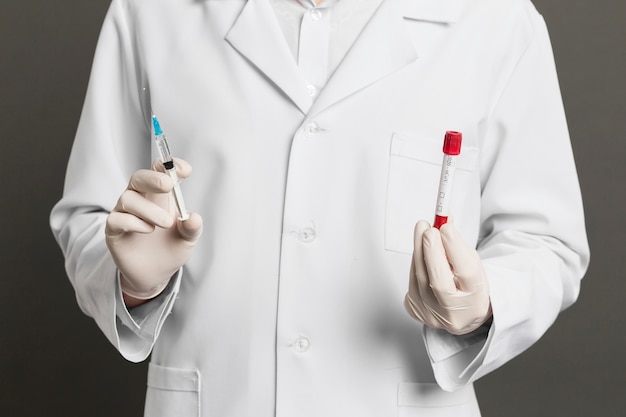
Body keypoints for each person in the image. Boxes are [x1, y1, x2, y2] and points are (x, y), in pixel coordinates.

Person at [50, 0, 590, 415]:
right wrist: (134, 286)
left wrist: (483, 307)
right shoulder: (151, 13)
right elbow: (88, 215)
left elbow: (546, 241)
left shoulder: (494, 20)